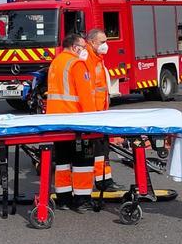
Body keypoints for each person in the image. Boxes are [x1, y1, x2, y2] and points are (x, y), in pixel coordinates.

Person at [46, 32, 97, 210]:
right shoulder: (76, 63)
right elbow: (85, 96)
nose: (84, 50)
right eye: (83, 47)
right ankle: (82, 200)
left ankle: (64, 198)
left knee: (62, 160)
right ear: (75, 47)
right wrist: (93, 120)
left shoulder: (56, 62)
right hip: (74, 119)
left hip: (56, 119)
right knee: (82, 160)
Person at [84, 28, 125, 192]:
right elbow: (87, 89)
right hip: (93, 114)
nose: (106, 45)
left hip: (99, 113)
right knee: (97, 151)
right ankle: (101, 182)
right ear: (92, 42)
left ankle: (104, 181)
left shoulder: (97, 58)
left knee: (102, 150)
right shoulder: (87, 58)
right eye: (102, 42)